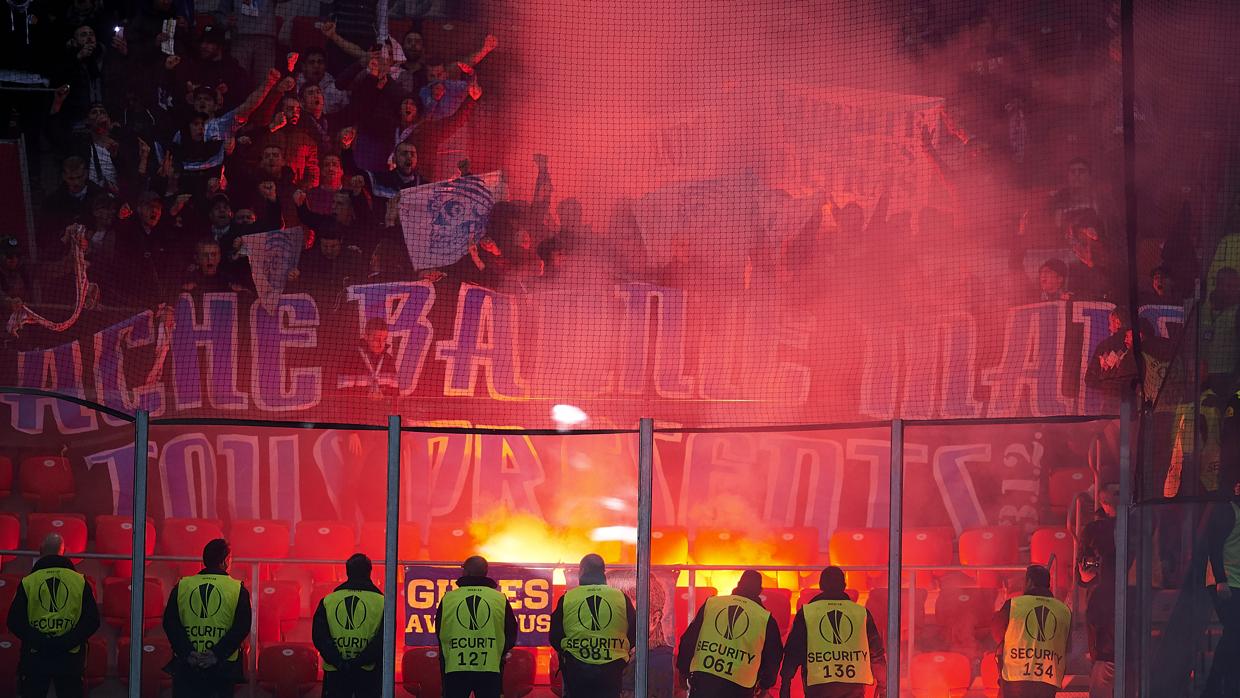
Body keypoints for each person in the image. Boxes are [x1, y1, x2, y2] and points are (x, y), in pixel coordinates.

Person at [5, 534, 101, 698]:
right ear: (63, 552)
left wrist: (39, 641)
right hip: (70, 657)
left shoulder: (28, 582)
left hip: (36, 656)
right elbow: (92, 621)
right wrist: (67, 641)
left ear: (40, 551)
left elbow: (14, 621)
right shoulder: (80, 581)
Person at [163, 538, 253, 698]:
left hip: (187, 668)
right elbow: (242, 627)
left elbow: (170, 623)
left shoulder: (182, 585)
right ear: (226, 561)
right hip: (222, 669)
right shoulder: (237, 589)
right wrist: (215, 654)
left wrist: (188, 653)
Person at [780, 566, 885, 698]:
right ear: (844, 585)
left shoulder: (807, 613)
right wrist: (884, 684)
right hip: (853, 689)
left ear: (821, 585)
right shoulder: (861, 614)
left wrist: (785, 683)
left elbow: (793, 652)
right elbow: (876, 653)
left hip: (817, 689)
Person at [676, 569, 784, 697]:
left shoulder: (712, 604)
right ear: (760, 591)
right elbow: (774, 656)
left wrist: (683, 670)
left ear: (738, 584)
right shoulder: (765, 619)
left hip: (704, 681)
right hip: (739, 688)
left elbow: (689, 640)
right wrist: (765, 685)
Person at [550, 553, 637, 698]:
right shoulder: (620, 597)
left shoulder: (568, 598)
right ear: (603, 573)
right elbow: (634, 632)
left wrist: (571, 653)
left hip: (577, 669)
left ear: (582, 571)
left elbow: (554, 635)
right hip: (612, 669)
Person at [435, 555, 518, 698]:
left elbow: (439, 631)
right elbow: (511, 633)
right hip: (490, 667)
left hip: (455, 667)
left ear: (466, 572)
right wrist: (496, 651)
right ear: (485, 572)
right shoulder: (499, 599)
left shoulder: (449, 598)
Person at [991, 565, 1071, 698]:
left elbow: (997, 633)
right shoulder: (1063, 611)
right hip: (1048, 679)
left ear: (1029, 582)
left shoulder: (1014, 604)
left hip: (1016, 679)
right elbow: (1066, 645)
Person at [313, 553, 384, 698]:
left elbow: (319, 637)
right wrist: (359, 661)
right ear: (370, 572)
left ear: (347, 572)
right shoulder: (382, 603)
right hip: (368, 675)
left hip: (336, 673)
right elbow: (383, 641)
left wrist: (339, 662)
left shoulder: (329, 601)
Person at [1077, 482, 1118, 698]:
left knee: (1117, 662)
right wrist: (1085, 575)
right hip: (1102, 606)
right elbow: (1081, 572)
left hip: (1127, 599)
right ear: (1103, 502)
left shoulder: (1140, 523)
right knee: (1105, 661)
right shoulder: (1093, 530)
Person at [1203, 475, 1240, 698]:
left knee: (1235, 634)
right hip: (1225, 581)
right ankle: (1214, 687)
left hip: (1235, 580)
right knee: (1234, 631)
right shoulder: (1227, 511)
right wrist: (1220, 580)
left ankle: (1224, 685)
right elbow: (1214, 545)